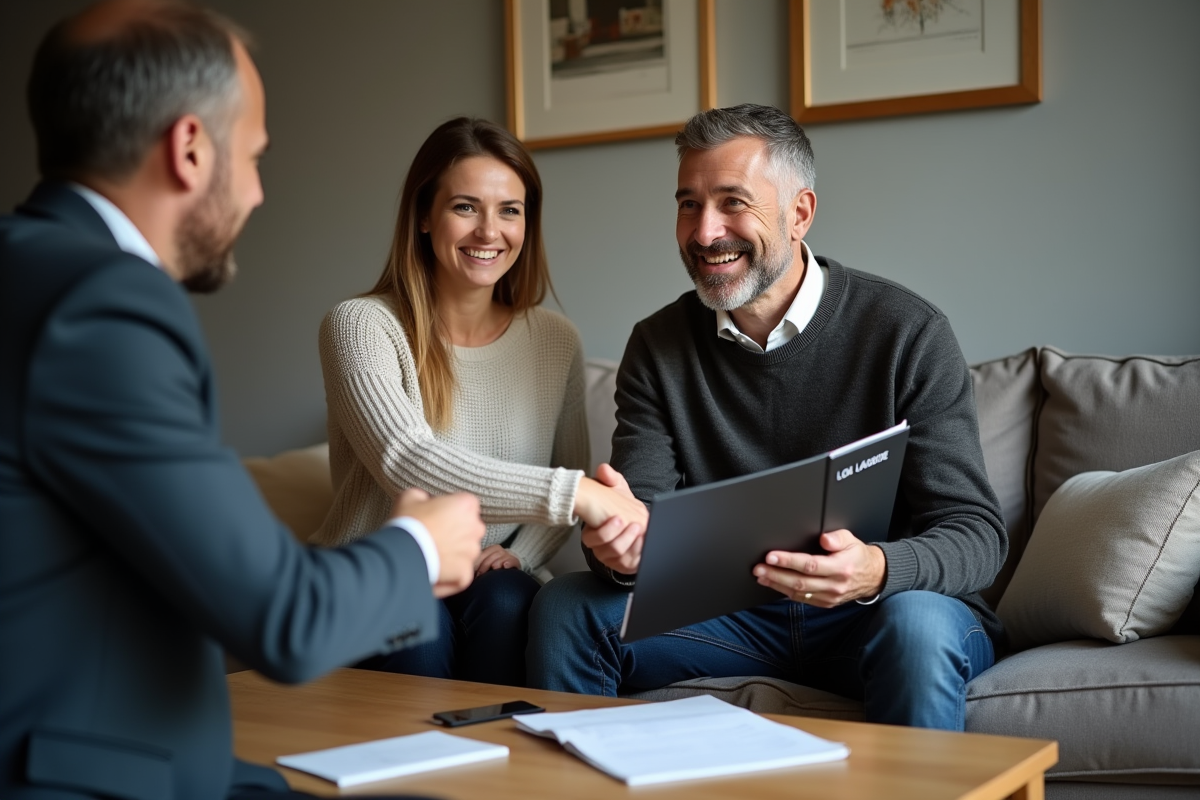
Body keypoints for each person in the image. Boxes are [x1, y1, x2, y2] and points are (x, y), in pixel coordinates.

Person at [0, 2, 487, 798]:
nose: (258, 193)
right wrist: (422, 546)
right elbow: (284, 618)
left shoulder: (27, 270)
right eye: (255, 156)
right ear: (190, 148)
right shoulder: (102, 304)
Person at [526, 104, 1008, 731]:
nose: (705, 232)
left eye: (733, 202)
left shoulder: (907, 333)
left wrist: (876, 570)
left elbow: (976, 534)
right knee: (566, 607)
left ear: (799, 213)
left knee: (916, 626)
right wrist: (620, 552)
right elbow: (638, 523)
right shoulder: (657, 346)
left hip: (878, 610)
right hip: (729, 620)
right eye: (689, 204)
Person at [311, 117, 648, 688]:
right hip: (382, 570)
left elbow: (563, 464)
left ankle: (498, 747)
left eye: (509, 210)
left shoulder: (554, 339)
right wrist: (579, 493)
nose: (489, 231)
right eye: (465, 207)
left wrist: (524, 552)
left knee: (509, 600)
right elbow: (406, 461)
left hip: (492, 576)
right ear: (424, 215)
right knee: (414, 622)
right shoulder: (360, 326)